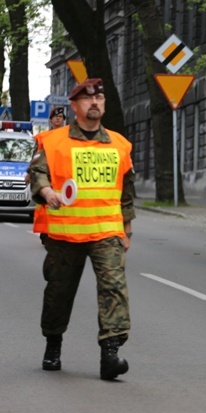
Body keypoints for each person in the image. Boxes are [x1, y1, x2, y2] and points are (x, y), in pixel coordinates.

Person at [29, 78, 136, 380]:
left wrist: (126, 229)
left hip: (107, 232)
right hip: (65, 233)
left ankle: (110, 354)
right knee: (59, 292)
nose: (95, 103)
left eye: (100, 99)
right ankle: (53, 343)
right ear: (75, 106)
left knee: (114, 288)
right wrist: (48, 193)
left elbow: (126, 190)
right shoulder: (53, 141)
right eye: (88, 100)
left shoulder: (119, 144)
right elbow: (37, 174)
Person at [30, 107, 67, 244]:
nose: (58, 119)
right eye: (55, 117)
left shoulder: (68, 136)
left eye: (61, 117)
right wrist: (30, 172)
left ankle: (60, 231)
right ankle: (45, 232)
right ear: (51, 119)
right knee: (46, 203)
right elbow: (36, 156)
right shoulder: (43, 137)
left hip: (63, 174)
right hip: (46, 174)